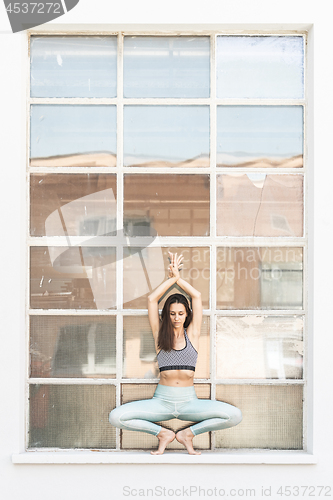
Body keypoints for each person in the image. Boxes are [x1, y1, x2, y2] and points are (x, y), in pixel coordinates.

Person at [109, 252, 242, 454]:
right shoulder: (159, 337)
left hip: (190, 403)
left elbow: (196, 296)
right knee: (115, 417)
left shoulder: (193, 335)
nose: (176, 318)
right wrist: (169, 280)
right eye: (172, 314)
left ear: (187, 314)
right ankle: (162, 433)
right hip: (161, 402)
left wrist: (179, 279)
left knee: (235, 415)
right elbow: (152, 300)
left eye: (180, 313)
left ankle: (188, 434)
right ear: (167, 315)